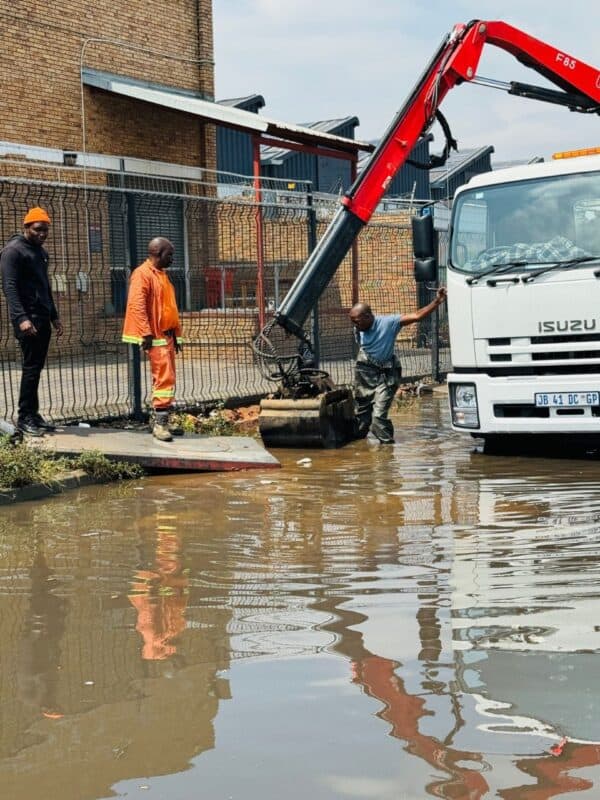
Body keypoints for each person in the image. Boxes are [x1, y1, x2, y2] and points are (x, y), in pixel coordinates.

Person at [349, 287, 447, 444]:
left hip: (386, 373)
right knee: (362, 416)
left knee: (378, 417)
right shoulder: (358, 327)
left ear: (368, 316)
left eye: (356, 321)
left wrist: (437, 301)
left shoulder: (389, 323)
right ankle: (359, 445)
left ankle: (387, 450)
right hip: (365, 372)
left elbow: (417, 316)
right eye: (352, 321)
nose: (354, 324)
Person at [0, 207, 63, 436]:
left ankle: (33, 414)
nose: (42, 234)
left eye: (45, 230)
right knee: (31, 368)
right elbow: (9, 287)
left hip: (42, 317)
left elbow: (45, 286)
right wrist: (21, 318)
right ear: (26, 227)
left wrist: (54, 316)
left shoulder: (41, 252)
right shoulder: (13, 251)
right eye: (38, 229)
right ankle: (24, 417)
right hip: (28, 320)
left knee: (36, 368)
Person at [122, 237, 183, 441]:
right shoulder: (142, 274)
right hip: (156, 336)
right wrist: (146, 332)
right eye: (169, 254)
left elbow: (169, 307)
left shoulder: (161, 275)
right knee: (164, 378)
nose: (172, 258)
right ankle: (160, 424)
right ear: (157, 253)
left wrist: (177, 335)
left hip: (167, 335)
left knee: (168, 378)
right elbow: (137, 305)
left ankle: (161, 419)